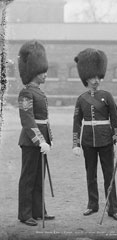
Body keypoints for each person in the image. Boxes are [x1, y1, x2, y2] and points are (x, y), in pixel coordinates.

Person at [72, 48, 117, 221]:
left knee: (109, 174)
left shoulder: (107, 96)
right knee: (90, 174)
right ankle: (92, 205)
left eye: (98, 77)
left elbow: (115, 119)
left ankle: (113, 208)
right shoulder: (81, 99)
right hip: (88, 141)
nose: (96, 81)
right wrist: (75, 143)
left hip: (106, 140)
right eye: (93, 77)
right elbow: (77, 122)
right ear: (86, 78)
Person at [17, 40, 55, 226]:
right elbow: (28, 120)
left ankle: (39, 210)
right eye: (43, 71)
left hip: (42, 141)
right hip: (31, 141)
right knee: (29, 178)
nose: (45, 75)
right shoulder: (26, 93)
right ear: (34, 72)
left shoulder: (39, 92)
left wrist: (48, 140)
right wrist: (40, 140)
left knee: (39, 177)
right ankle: (25, 214)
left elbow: (44, 120)